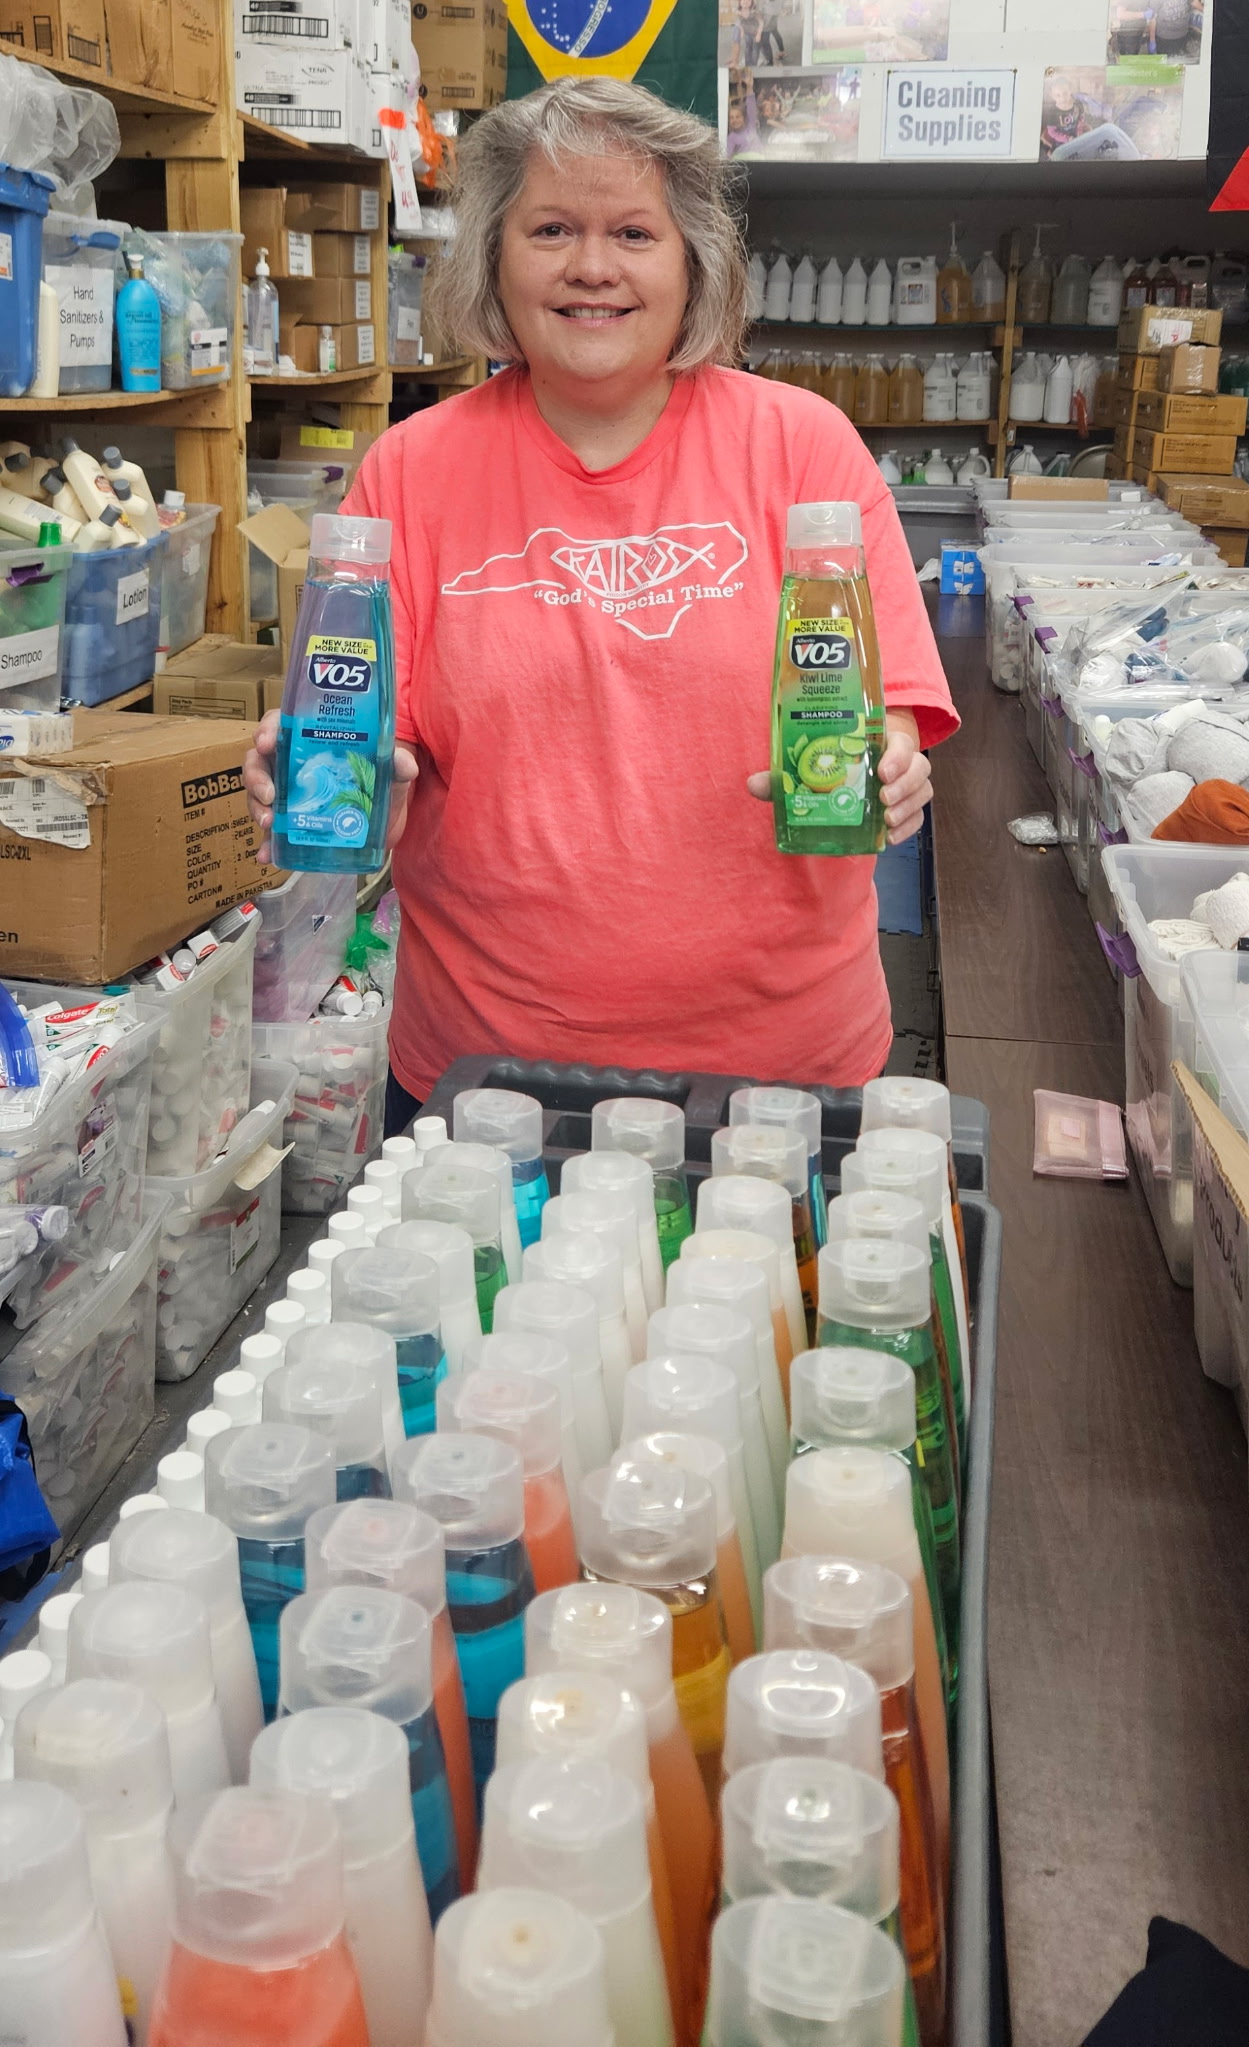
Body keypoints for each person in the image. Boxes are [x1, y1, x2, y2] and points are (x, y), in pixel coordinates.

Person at [244, 78, 958, 1133]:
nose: (591, 266)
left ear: (692, 261)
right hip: (487, 1076)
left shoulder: (801, 448)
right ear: (494, 256)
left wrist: (890, 764)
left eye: (633, 232)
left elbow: (884, 703)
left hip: (780, 1072)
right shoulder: (412, 470)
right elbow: (368, 734)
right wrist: (330, 780)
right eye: (550, 230)